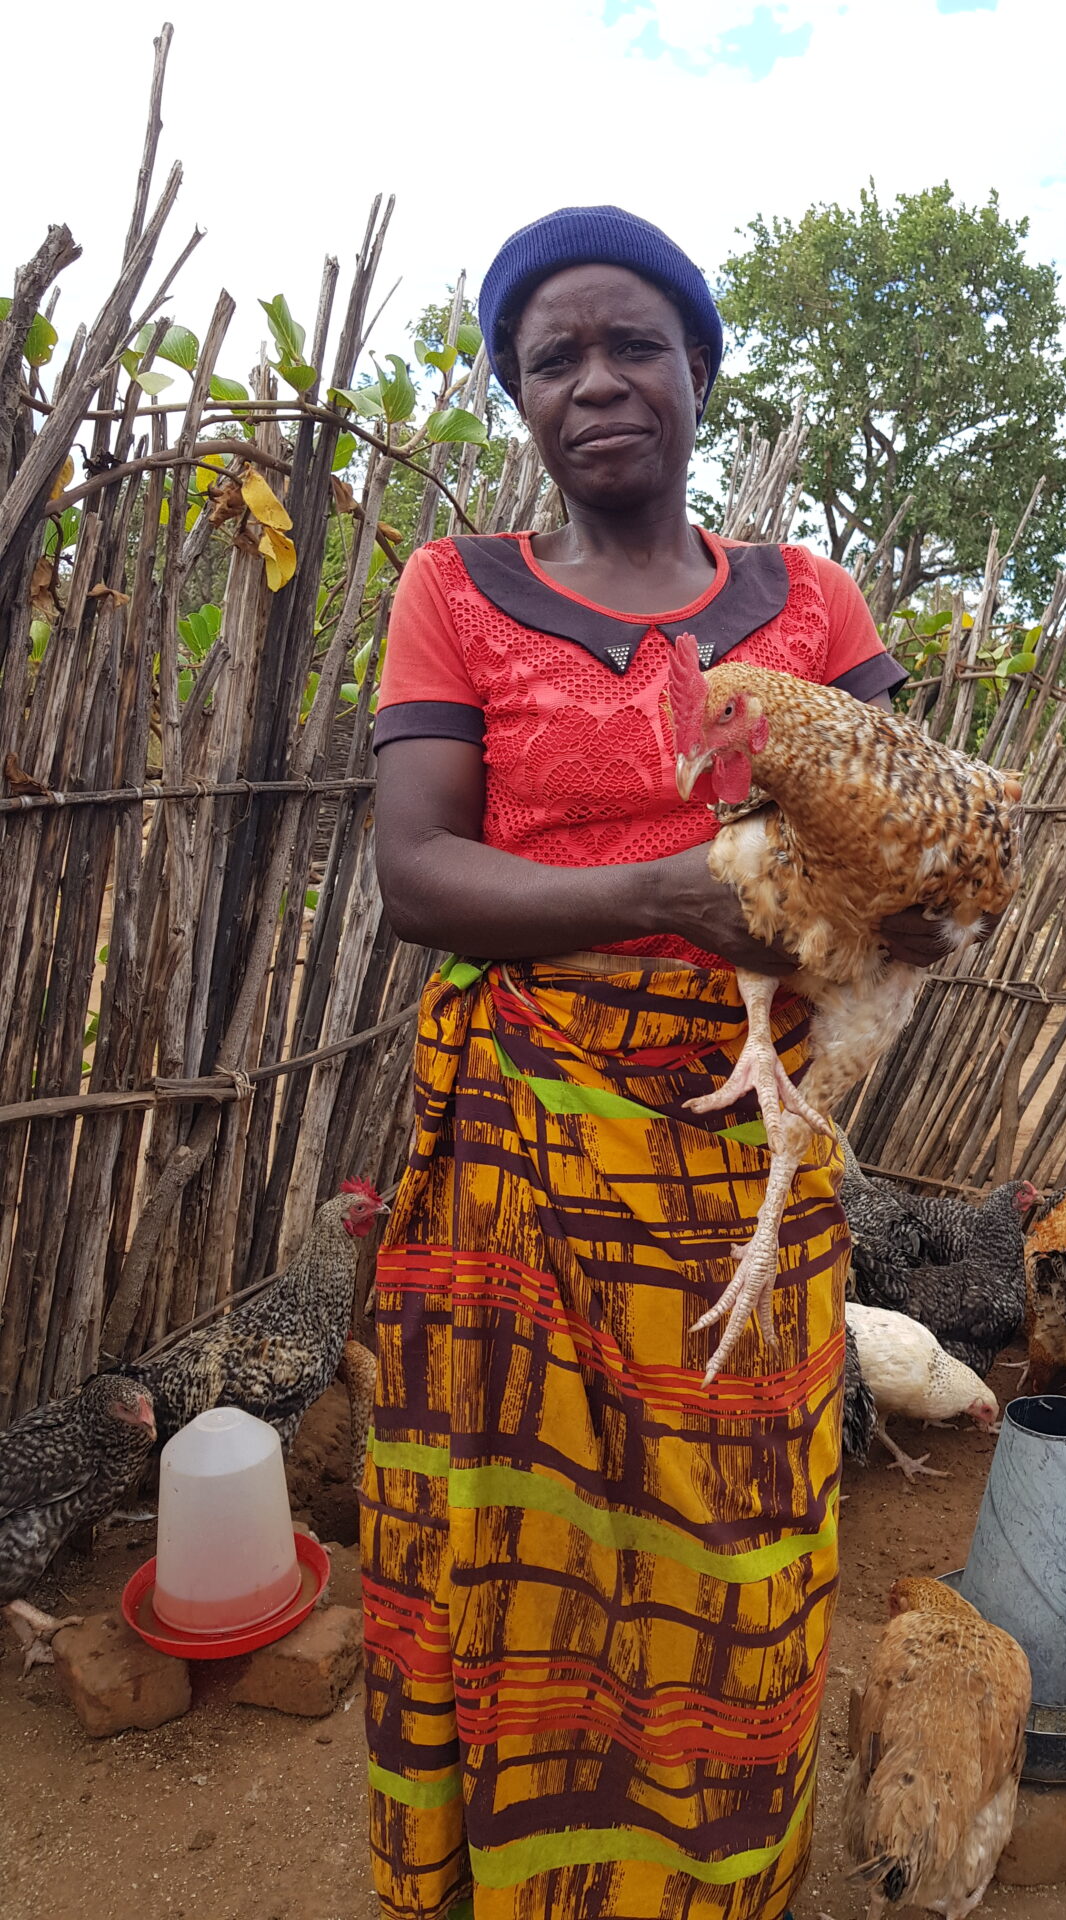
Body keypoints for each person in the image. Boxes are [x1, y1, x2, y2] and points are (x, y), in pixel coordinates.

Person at [364, 205, 942, 1920]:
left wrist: (875, 929)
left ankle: (705, 1885)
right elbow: (417, 873)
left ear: (700, 370)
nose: (598, 382)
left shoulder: (812, 602)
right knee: (519, 1541)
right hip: (522, 1131)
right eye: (556, 359)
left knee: (739, 1536)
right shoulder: (455, 592)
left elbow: (916, 857)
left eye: (636, 347)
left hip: (748, 1148)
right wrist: (674, 900)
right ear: (520, 399)